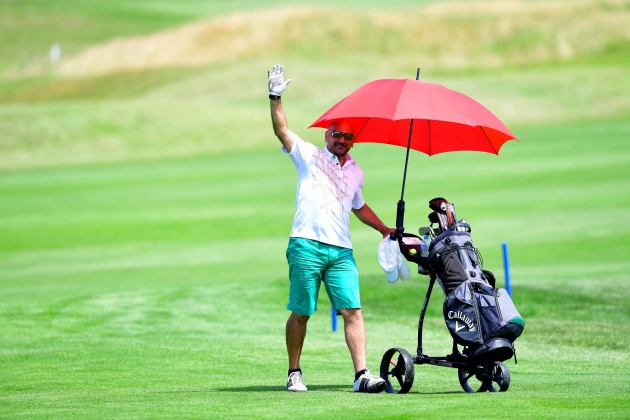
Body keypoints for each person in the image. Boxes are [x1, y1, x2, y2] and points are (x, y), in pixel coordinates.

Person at [268, 64, 394, 393]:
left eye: (347, 136)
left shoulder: (355, 171)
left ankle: (361, 375)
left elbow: (359, 206)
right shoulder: (308, 155)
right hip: (306, 244)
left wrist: (383, 229)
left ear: (354, 140)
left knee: (352, 309)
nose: (341, 140)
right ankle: (294, 372)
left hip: (341, 250)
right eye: (336, 134)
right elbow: (282, 130)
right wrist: (275, 97)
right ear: (327, 135)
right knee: (301, 311)